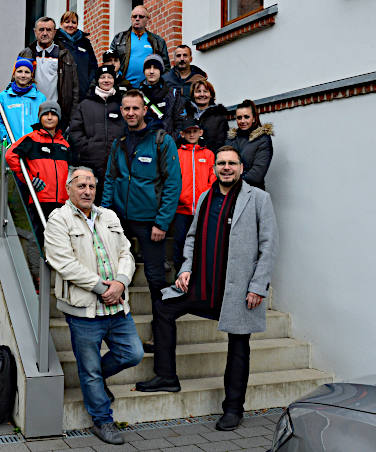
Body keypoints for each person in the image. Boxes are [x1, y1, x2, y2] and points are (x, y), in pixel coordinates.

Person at [135, 146, 279, 433]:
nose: (226, 168)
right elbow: (190, 237)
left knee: (239, 346)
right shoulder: (205, 197)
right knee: (164, 308)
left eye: (232, 163)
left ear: (240, 167)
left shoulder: (258, 199)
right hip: (202, 285)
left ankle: (233, 408)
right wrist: (186, 268)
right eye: (221, 163)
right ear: (214, 168)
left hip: (237, 291)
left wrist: (258, 286)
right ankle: (166, 376)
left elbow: (269, 246)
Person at [44, 167, 143, 445]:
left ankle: (95, 383)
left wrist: (121, 283)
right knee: (88, 370)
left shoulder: (108, 216)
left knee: (132, 353)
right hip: (84, 311)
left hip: (117, 306)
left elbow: (126, 253)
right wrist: (102, 288)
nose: (87, 191)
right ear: (68, 189)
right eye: (81, 186)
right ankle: (102, 420)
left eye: (91, 186)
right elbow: (63, 263)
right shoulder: (58, 219)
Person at [101, 90, 181, 310]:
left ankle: (162, 337)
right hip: (120, 220)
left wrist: (162, 222)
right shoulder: (120, 142)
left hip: (150, 222)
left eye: (135, 108)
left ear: (145, 110)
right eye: (126, 108)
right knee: (114, 274)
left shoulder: (161, 141)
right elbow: (111, 178)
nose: (130, 112)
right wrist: (106, 214)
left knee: (156, 279)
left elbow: (173, 184)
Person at [5, 101, 70, 244]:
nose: (49, 117)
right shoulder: (32, 138)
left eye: (53, 114)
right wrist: (29, 179)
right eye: (45, 114)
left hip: (62, 201)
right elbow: (11, 155)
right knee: (39, 238)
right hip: (39, 198)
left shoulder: (64, 144)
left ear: (59, 118)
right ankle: (37, 265)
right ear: (39, 117)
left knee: (59, 239)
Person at [68, 65, 126, 204]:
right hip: (91, 165)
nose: (106, 80)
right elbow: (75, 131)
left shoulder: (121, 103)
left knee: (114, 205)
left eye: (110, 77)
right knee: (90, 204)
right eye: (102, 77)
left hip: (117, 165)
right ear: (97, 80)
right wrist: (88, 149)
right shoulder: (85, 104)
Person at [20, 16, 80, 132]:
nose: (45, 33)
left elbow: (75, 90)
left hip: (55, 115)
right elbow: (15, 81)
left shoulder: (65, 55)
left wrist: (72, 119)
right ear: (35, 32)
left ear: (55, 32)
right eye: (41, 30)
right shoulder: (26, 54)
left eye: (49, 30)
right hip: (31, 113)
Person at [172, 117, 216, 271]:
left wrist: (208, 200)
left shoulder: (209, 154)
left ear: (201, 132)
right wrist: (178, 198)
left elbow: (213, 179)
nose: (192, 134)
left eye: (195, 131)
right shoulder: (176, 154)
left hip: (202, 209)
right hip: (181, 210)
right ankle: (180, 277)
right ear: (182, 134)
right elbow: (172, 178)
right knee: (180, 244)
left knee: (201, 244)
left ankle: (198, 277)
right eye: (188, 132)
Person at [109, 5, 170, 87]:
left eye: (141, 16)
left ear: (147, 19)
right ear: (131, 18)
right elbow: (110, 63)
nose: (137, 19)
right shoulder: (119, 39)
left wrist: (160, 85)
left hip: (149, 88)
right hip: (124, 87)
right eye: (134, 16)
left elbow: (165, 67)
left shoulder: (158, 41)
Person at [0, 57, 46, 144]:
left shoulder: (40, 98)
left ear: (31, 75)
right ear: (14, 74)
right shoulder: (4, 96)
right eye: (19, 71)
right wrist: (7, 141)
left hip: (34, 149)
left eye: (27, 72)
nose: (23, 75)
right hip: (12, 148)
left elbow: (44, 124)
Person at [226, 99, 274, 190]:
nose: (242, 121)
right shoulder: (231, 139)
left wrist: (230, 182)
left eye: (246, 117)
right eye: (239, 117)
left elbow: (257, 174)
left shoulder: (263, 139)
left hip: (252, 192)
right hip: (230, 194)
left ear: (254, 118)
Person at [138, 54, 186, 138]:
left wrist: (171, 141)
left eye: (156, 68)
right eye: (148, 67)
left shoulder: (173, 93)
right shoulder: (137, 94)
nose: (151, 71)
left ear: (161, 70)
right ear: (144, 71)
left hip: (167, 144)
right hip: (143, 144)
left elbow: (180, 121)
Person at [55, 10, 98, 94]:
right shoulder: (55, 41)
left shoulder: (85, 43)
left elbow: (93, 66)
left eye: (74, 22)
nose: (70, 25)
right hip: (62, 92)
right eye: (67, 22)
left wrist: (90, 85)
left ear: (77, 24)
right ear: (61, 24)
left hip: (83, 91)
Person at [184, 79, 228, 153]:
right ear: (193, 95)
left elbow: (222, 143)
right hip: (188, 160)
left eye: (205, 91)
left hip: (210, 159)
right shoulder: (185, 115)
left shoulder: (219, 117)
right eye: (198, 91)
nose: (202, 94)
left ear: (211, 95)